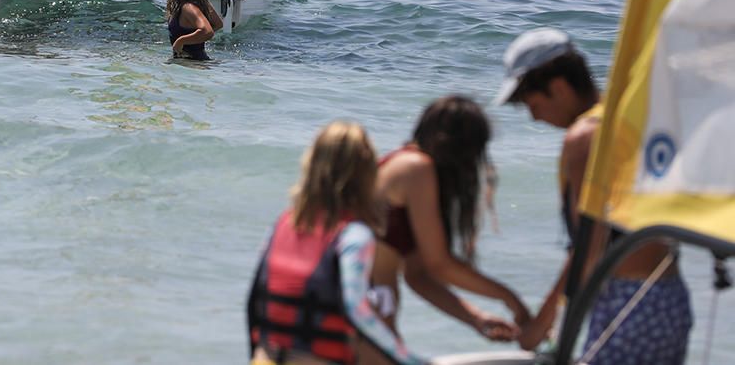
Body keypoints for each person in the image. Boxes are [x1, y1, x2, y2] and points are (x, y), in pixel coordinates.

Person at [496, 27, 692, 362]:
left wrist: (542, 326)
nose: (533, 116)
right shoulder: (626, 121)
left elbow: (589, 246)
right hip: (667, 297)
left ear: (558, 87)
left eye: (533, 103)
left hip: (628, 302)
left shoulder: (585, 138)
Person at [248, 121, 423, 365]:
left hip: (265, 357)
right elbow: (357, 311)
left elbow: (255, 297)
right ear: (366, 174)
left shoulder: (283, 223)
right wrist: (410, 359)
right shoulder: (354, 236)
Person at [368, 96, 526, 355]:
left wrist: (476, 318)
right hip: (361, 313)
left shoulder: (401, 164)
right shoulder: (416, 168)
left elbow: (418, 274)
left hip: (364, 311)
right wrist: (511, 299)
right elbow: (439, 264)